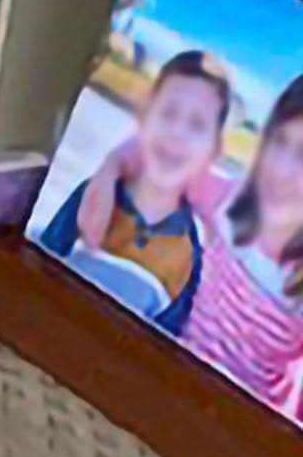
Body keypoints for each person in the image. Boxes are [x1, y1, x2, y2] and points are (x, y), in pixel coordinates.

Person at [36, 50, 231, 335]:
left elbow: (163, 347)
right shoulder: (93, 197)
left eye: (196, 125)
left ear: (213, 151)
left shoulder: (188, 257)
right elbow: (39, 270)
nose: (177, 132)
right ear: (143, 117)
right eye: (168, 113)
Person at [181, 74, 303, 416]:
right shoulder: (229, 203)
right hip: (174, 370)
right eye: (279, 143)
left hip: (242, 419)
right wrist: (110, 172)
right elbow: (156, 164)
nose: (282, 170)